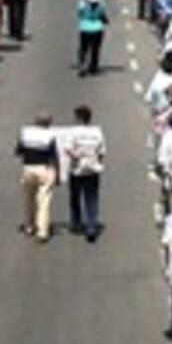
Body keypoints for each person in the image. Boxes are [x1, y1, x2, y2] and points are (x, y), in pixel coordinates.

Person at [65, 104, 106, 243]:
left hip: (77, 169)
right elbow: (102, 152)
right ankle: (91, 226)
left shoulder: (73, 132)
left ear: (79, 118)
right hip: (93, 169)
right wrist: (96, 162)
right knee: (92, 198)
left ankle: (76, 223)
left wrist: (77, 157)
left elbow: (69, 150)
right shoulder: (97, 132)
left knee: (75, 196)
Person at [17, 111, 59, 242]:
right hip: (44, 169)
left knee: (29, 198)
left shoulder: (26, 133)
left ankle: (29, 226)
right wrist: (57, 173)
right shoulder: (50, 135)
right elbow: (54, 156)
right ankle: (42, 231)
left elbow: (18, 151)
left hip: (28, 168)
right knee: (44, 200)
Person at [76, 0, 109, 77]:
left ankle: (82, 64)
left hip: (85, 28)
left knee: (83, 48)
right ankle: (93, 67)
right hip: (97, 29)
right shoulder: (101, 4)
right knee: (95, 49)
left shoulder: (82, 4)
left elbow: (79, 14)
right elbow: (103, 16)